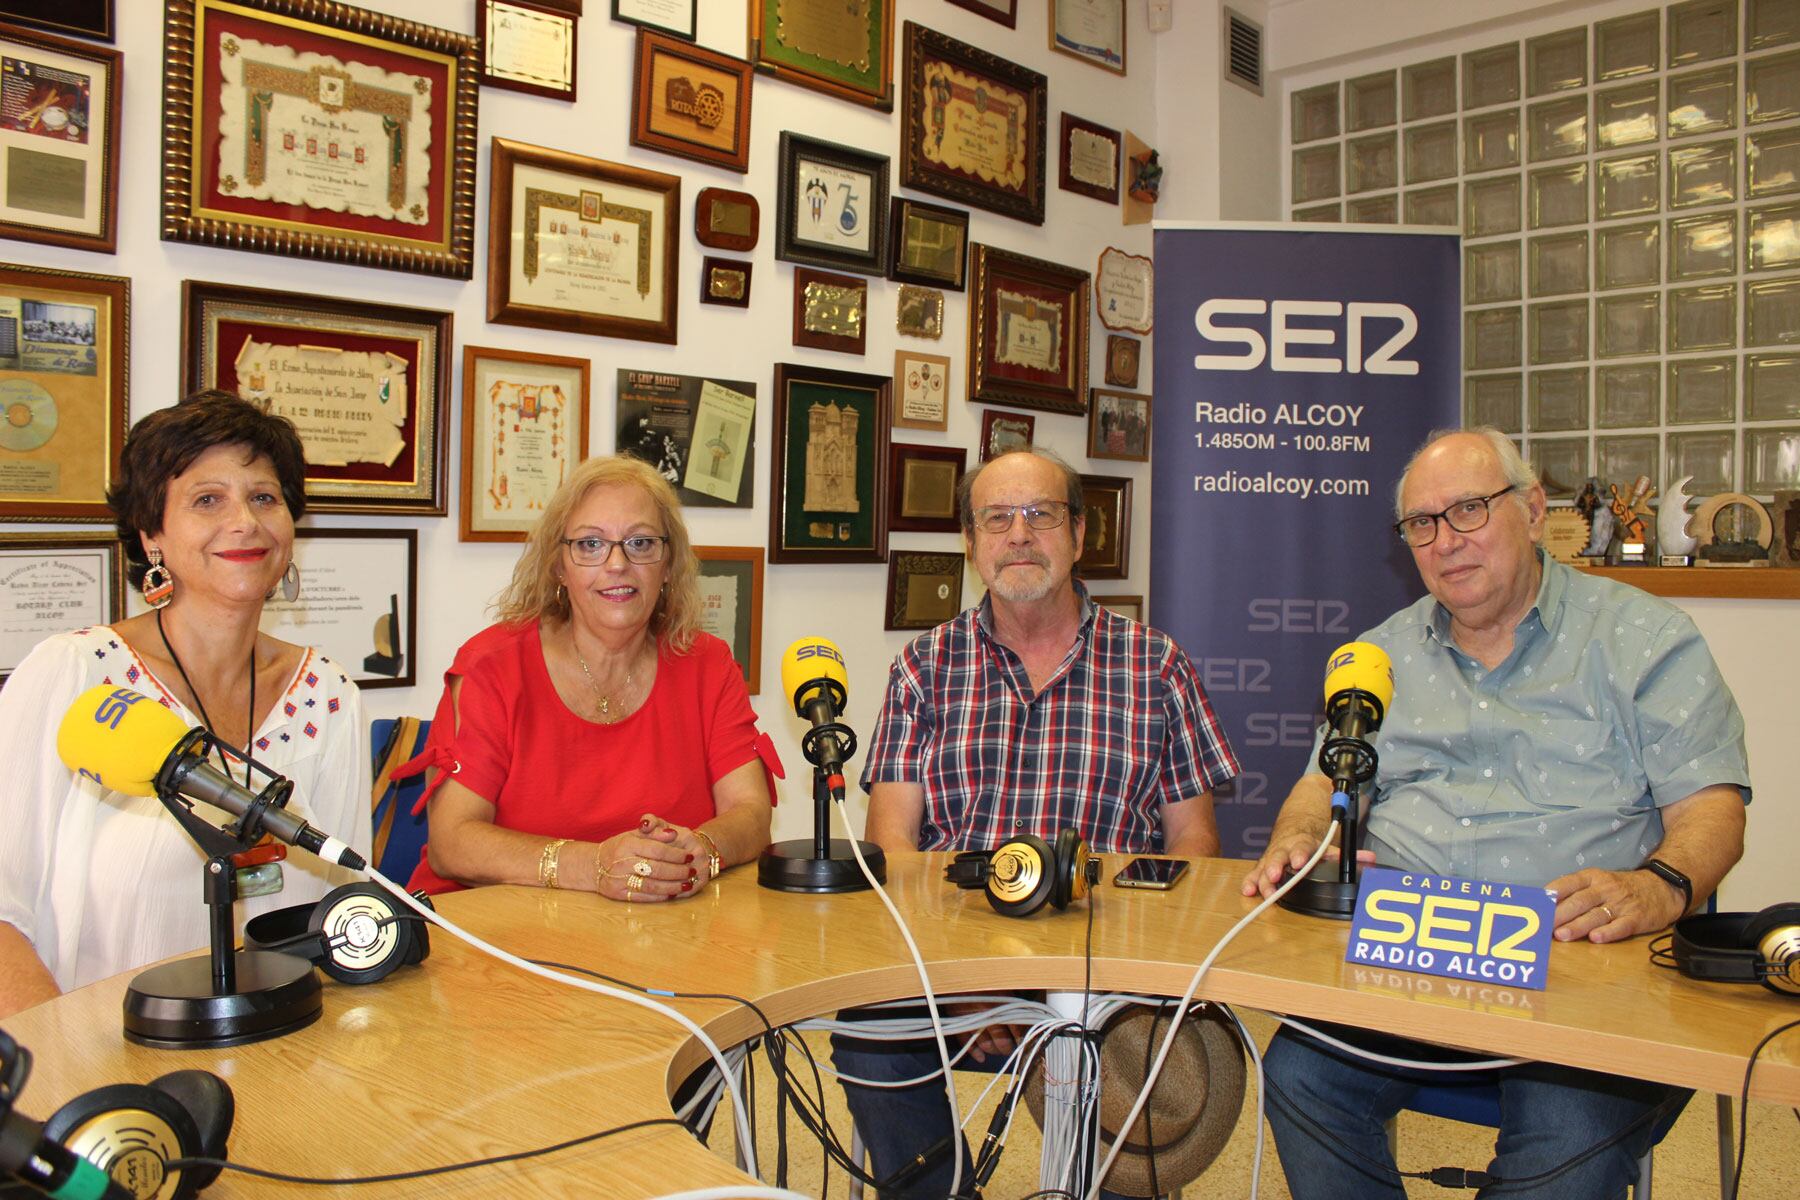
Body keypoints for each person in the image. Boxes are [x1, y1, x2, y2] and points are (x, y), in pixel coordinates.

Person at [1243, 427, 1750, 1200]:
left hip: (1581, 969)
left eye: (1469, 510)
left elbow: (1712, 808)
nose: (1445, 541)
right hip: (1406, 959)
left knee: (1566, 1142)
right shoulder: (1380, 657)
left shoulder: (1644, 639)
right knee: (1298, 1079)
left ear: (1534, 509)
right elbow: (1323, 784)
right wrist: (1300, 836)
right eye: (1422, 523)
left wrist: (1659, 886)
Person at [834, 448, 1240, 1199]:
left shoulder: (1157, 667)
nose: (1019, 534)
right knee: (867, 1031)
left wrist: (1099, 991)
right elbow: (890, 846)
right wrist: (961, 994)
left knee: (1141, 1119)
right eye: (997, 518)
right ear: (971, 542)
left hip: (1107, 975)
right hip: (954, 967)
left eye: (1041, 514)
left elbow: (1195, 845)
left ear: (1080, 534)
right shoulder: (923, 668)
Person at [0, 391, 371, 1019]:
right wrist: (54, 1077)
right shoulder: (76, 676)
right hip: (104, 1070)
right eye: (207, 500)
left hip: (291, 1058)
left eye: (263, 497)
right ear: (153, 537)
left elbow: (345, 907)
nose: (245, 521)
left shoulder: (328, 694)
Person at [400, 456, 778, 901]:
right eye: (590, 544)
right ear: (559, 565)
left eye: (640, 543)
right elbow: (452, 843)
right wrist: (595, 865)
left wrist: (703, 849)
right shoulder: (493, 666)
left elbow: (750, 812)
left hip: (657, 936)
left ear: (667, 562)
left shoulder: (707, 664)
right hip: (495, 936)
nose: (618, 564)